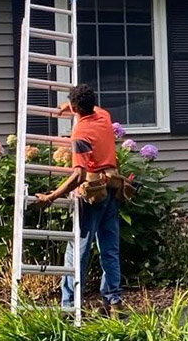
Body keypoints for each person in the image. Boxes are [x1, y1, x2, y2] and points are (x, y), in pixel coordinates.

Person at [33, 83, 123, 312]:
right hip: (112, 187)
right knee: (109, 248)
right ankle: (114, 302)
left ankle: (70, 304)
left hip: (93, 194)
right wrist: (71, 106)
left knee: (78, 249)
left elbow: (78, 175)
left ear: (75, 106)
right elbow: (88, 108)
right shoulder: (103, 115)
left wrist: (52, 196)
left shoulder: (81, 134)